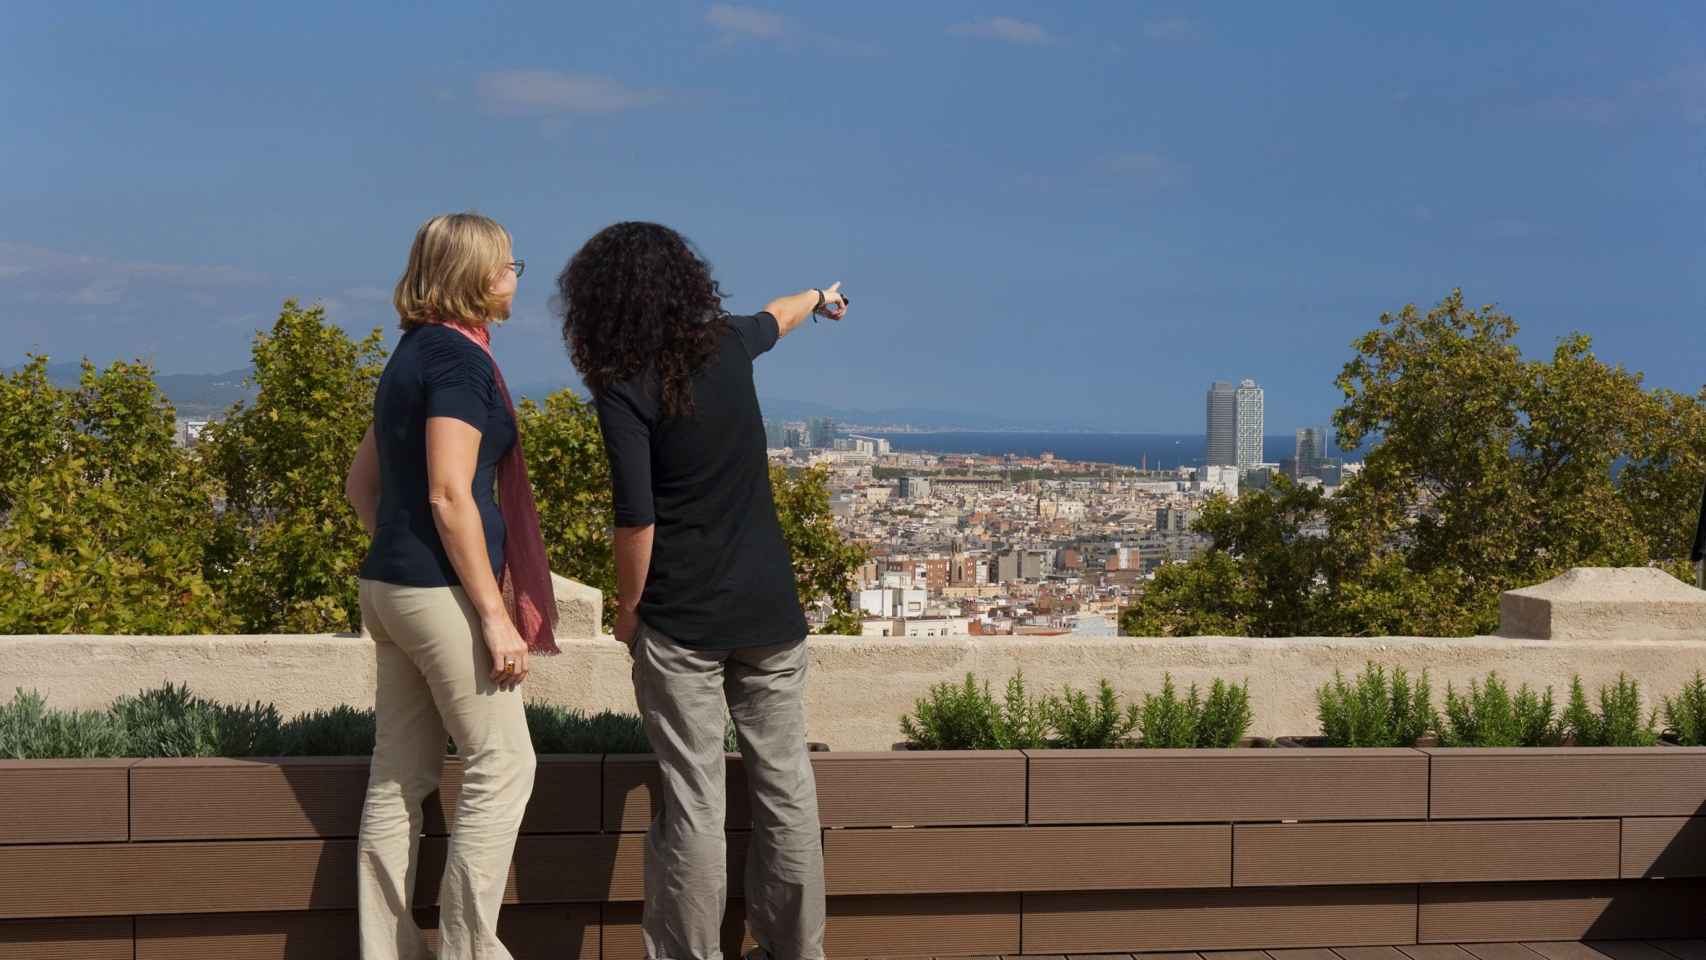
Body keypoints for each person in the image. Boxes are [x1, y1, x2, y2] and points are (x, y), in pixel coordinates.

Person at [557, 221, 847, 960]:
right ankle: (797, 950)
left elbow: (635, 519)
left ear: (600, 303)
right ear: (686, 282)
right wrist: (820, 297)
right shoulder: (727, 342)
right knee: (787, 787)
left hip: (682, 618)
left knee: (694, 801)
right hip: (770, 611)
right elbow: (777, 315)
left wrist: (628, 610)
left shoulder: (622, 385)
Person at [344, 211, 559, 959]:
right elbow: (449, 493)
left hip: (390, 588)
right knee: (505, 764)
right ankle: (470, 952)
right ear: (473, 276)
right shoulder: (460, 364)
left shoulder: (408, 355)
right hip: (438, 596)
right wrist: (495, 617)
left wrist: (401, 556)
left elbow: (359, 486)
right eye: (506, 266)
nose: (513, 279)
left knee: (398, 777)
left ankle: (388, 950)